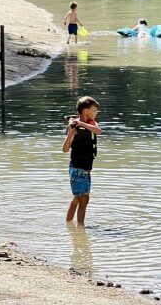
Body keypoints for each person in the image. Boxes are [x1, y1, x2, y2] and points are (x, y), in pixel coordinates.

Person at [62, 96, 102, 227]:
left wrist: (82, 124)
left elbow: (98, 131)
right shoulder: (73, 127)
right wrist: (71, 132)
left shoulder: (91, 124)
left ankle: (69, 225)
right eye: (94, 110)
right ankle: (80, 228)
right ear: (86, 111)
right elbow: (65, 149)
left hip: (86, 169)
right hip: (77, 168)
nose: (96, 113)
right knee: (83, 199)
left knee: (78, 199)